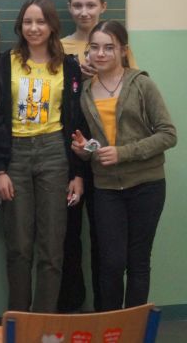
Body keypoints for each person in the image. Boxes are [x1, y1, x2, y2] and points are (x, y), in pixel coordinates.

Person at [0, 0, 86, 313]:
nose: (34, 28)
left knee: (52, 247)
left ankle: (44, 322)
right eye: (28, 22)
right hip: (15, 154)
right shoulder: (5, 62)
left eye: (41, 22)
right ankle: (19, 320)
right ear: (20, 26)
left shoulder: (69, 66)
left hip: (54, 154)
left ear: (52, 26)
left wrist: (77, 173)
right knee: (18, 246)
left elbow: (77, 120)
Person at [71, 20, 176, 310]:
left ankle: (135, 327)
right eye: (94, 47)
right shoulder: (86, 91)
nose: (100, 53)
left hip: (146, 184)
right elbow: (99, 147)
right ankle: (112, 327)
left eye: (109, 47)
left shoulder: (141, 84)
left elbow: (168, 134)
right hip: (106, 188)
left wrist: (124, 153)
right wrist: (85, 150)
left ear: (123, 50)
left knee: (138, 261)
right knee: (111, 263)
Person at [59, 0, 139, 312]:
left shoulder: (117, 46)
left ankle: (105, 312)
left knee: (106, 243)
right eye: (77, 5)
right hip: (71, 154)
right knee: (68, 236)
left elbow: (129, 90)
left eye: (90, 5)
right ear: (69, 8)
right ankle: (71, 307)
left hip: (108, 158)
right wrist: (76, 75)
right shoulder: (60, 46)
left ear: (103, 7)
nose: (84, 11)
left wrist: (99, 75)